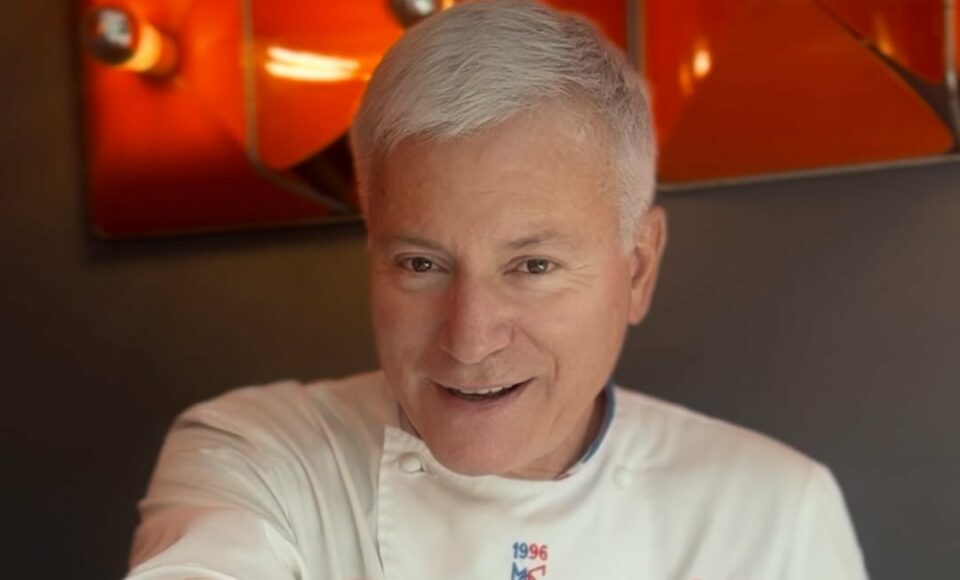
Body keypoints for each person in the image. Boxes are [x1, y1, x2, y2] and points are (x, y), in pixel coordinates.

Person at [127, 1, 869, 578]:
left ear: (638, 269)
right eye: (421, 264)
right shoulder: (260, 456)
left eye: (533, 266)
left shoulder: (775, 513)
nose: (471, 337)